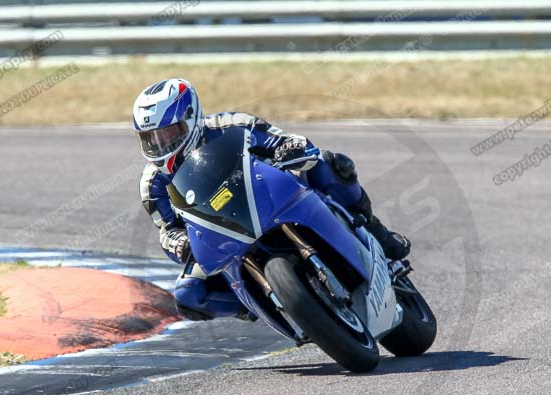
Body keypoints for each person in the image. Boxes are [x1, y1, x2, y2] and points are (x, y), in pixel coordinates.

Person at [134, 78, 410, 321]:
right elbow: (168, 231)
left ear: (191, 117)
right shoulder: (152, 183)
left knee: (330, 163)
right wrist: (180, 244)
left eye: (169, 132)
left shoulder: (231, 124)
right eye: (151, 138)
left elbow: (285, 140)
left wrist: (292, 149)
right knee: (188, 297)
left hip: (271, 197)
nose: (161, 144)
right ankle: (257, 304)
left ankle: (377, 232)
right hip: (223, 235)